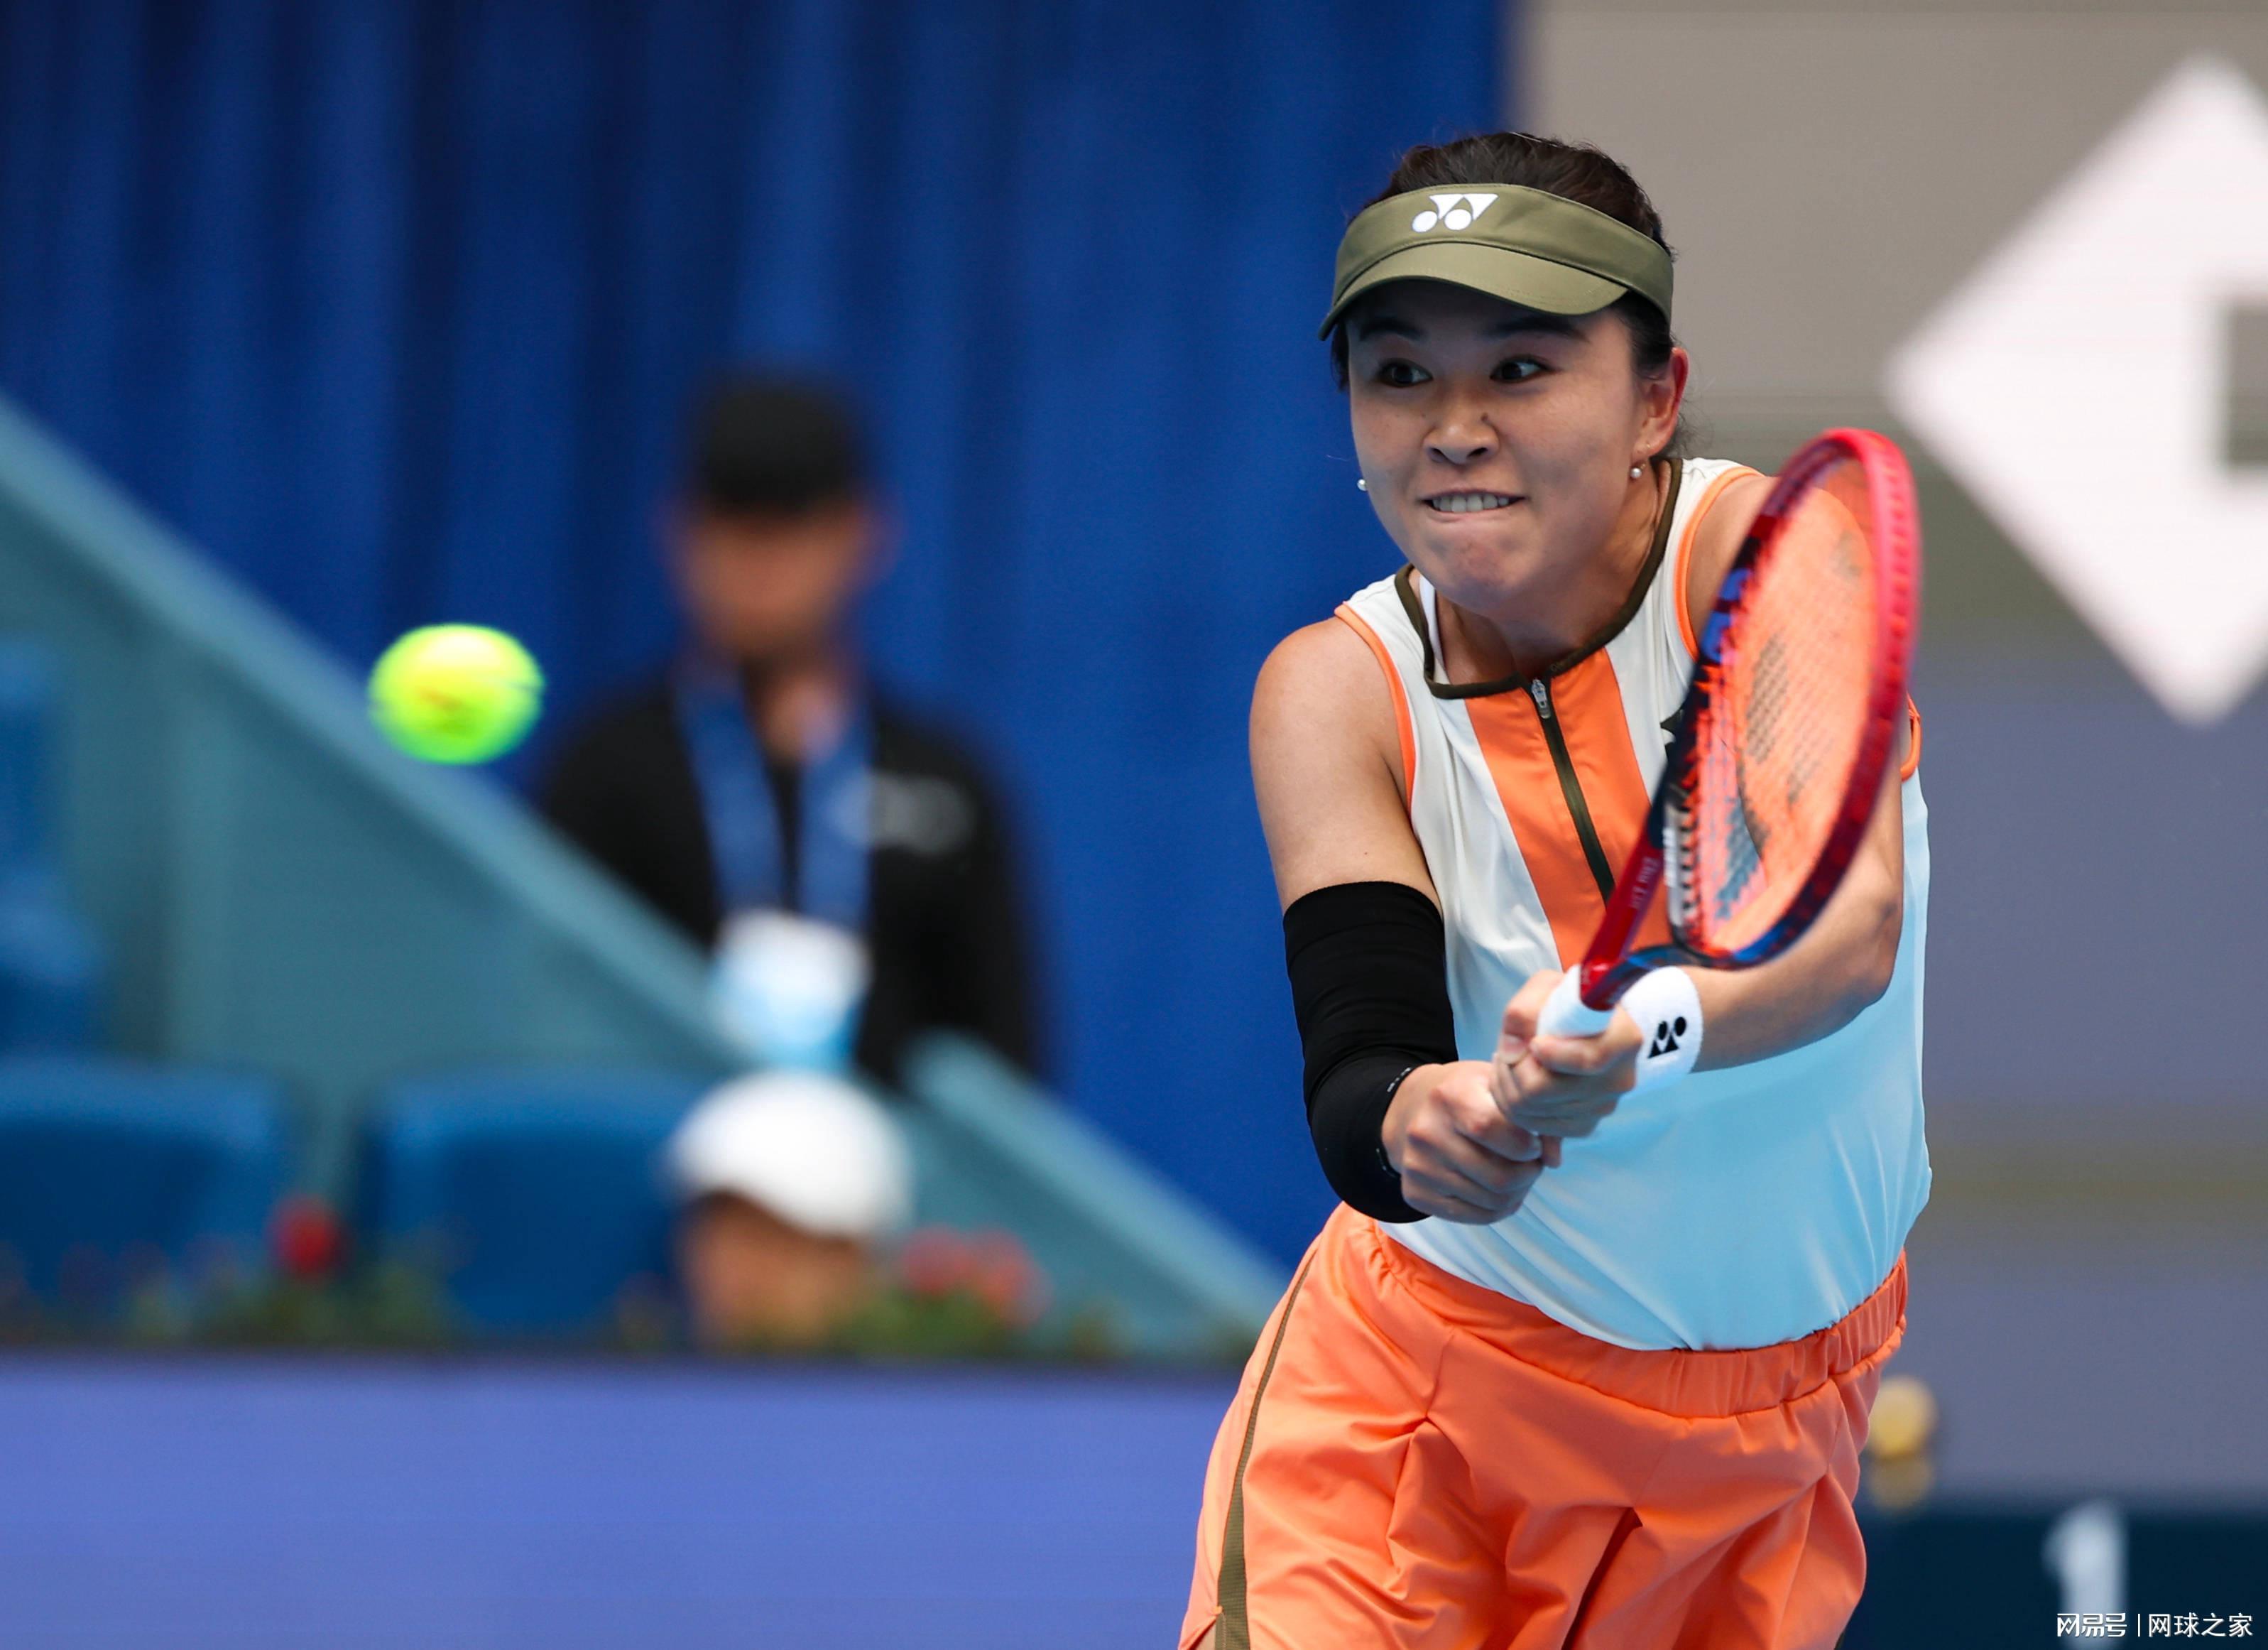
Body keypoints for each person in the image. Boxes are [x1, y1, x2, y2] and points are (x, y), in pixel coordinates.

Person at [1181, 133, 1928, 1650]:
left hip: (1766, 1448)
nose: (1452, 429)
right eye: (1399, 374)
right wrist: (1424, 1121)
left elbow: (1848, 933)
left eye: (1519, 368)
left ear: (1655, 398)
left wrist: (1647, 1028)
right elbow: (1363, 1072)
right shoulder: (1334, 690)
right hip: (1421, 1427)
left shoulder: (1759, 558)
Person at [538, 375, 1040, 1086]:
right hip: (657, 1145)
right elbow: (551, 1013)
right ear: (679, 535)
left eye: (792, 524)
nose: (761, 564)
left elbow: (1004, 1074)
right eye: (733, 523)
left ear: (862, 534)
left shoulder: (945, 784)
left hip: (886, 1154)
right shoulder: (605, 770)